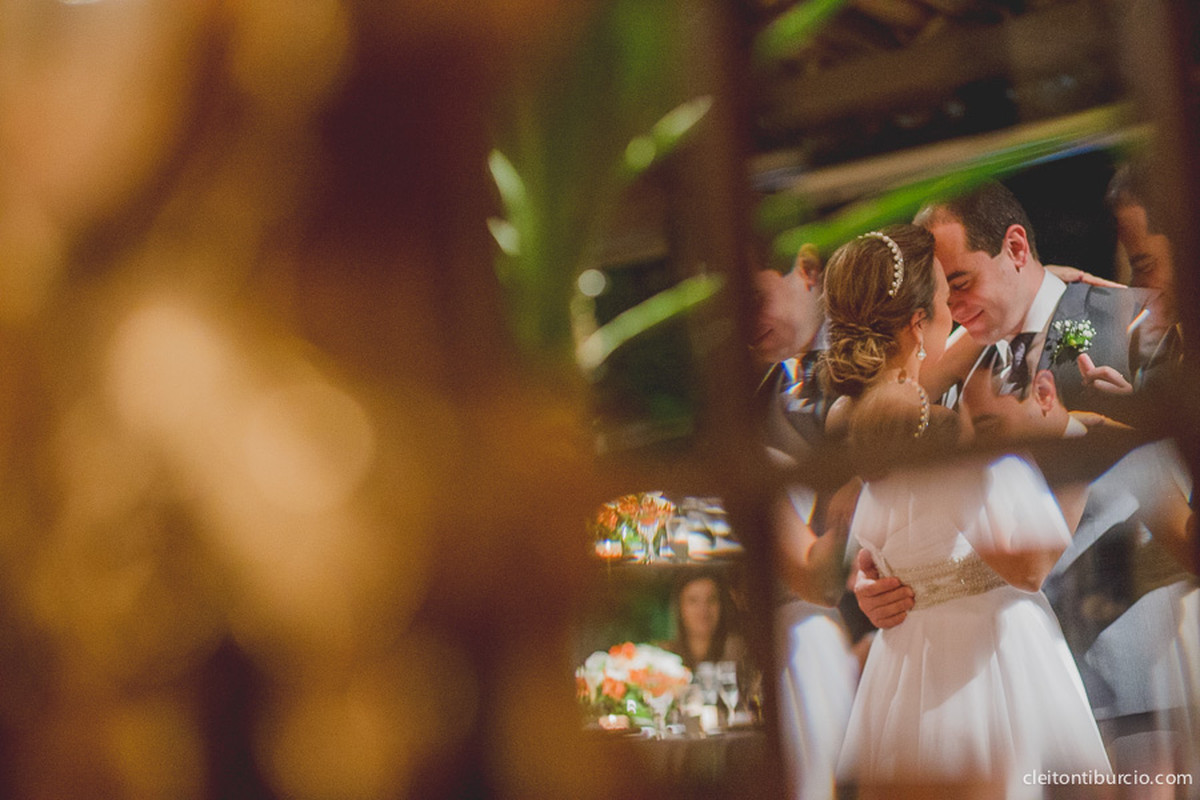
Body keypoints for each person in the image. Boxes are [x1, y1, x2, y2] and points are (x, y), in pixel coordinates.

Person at [820, 224, 1110, 793]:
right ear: (917, 319)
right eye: (944, 292)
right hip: (989, 670)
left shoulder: (852, 415)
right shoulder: (934, 426)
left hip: (907, 676)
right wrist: (1079, 438)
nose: (954, 304)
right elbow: (1028, 564)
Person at [855, 179, 1177, 630]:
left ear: (1016, 247)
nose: (953, 306)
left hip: (1126, 657)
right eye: (941, 295)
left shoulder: (1135, 324)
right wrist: (882, 580)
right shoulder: (942, 378)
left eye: (961, 283)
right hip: (999, 661)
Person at [962, 360, 1200, 789]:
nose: (985, 446)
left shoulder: (1122, 449)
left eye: (990, 427)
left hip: (1136, 703)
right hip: (1050, 699)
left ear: (1043, 393)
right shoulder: (997, 479)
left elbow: (1186, 543)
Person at [662, 571, 746, 671]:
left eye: (711, 599)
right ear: (679, 608)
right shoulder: (663, 657)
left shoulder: (740, 653)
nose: (703, 609)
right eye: (693, 600)